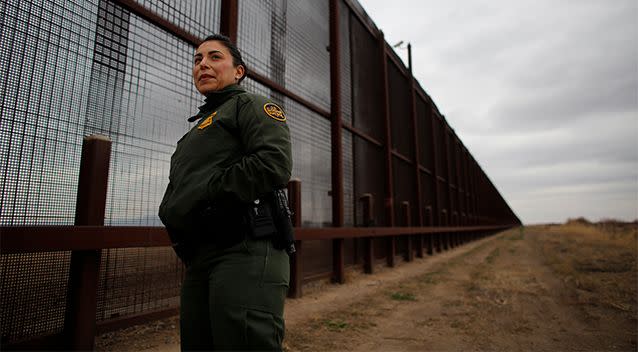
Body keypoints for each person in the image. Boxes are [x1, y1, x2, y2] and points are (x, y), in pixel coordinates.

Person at [158, 34, 293, 351]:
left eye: (214, 57)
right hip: (201, 255)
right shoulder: (196, 129)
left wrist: (205, 196)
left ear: (238, 72)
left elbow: (273, 163)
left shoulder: (251, 105)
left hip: (245, 249)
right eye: (197, 59)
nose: (202, 64)